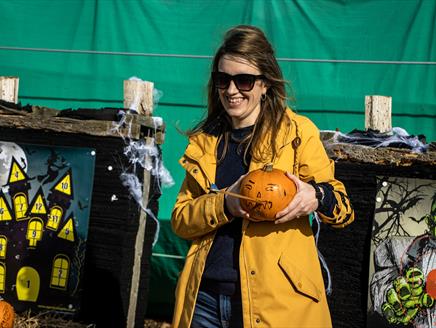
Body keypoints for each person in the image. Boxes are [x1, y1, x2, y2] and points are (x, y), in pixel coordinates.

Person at [171, 25, 355, 328]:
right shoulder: (206, 142)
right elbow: (180, 219)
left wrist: (316, 196)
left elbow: (344, 208)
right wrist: (225, 204)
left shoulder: (296, 134)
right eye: (223, 79)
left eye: (243, 81)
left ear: (265, 83)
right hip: (204, 300)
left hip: (276, 302)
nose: (232, 91)